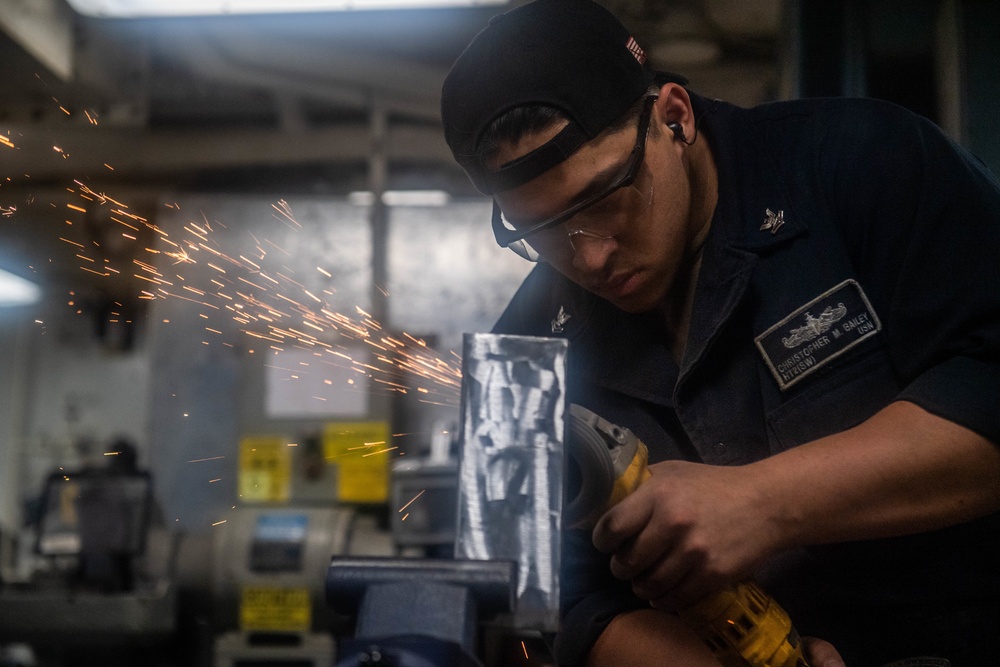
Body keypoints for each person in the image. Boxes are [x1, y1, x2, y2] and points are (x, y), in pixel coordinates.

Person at [440, 1, 1000, 666]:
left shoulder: (865, 163)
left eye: (603, 199)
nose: (589, 257)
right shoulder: (518, 361)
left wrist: (767, 502)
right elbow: (527, 599)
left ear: (673, 117)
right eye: (540, 231)